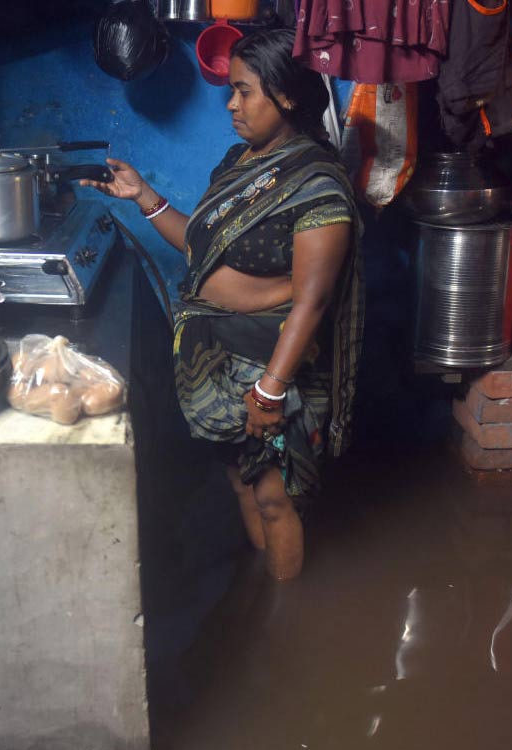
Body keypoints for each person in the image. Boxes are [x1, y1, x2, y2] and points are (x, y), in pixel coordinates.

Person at [82, 28, 364, 581]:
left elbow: (313, 299)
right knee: (242, 482)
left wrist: (270, 390)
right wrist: (144, 196)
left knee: (275, 499)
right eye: (230, 91)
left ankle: (287, 621)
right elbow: (200, 246)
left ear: (285, 96)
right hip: (215, 357)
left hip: (268, 365)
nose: (231, 105)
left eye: (244, 91)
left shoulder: (318, 187)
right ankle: (262, 592)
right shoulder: (239, 163)